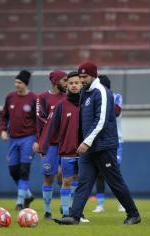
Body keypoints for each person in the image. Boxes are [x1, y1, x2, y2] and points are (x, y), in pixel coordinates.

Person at [54, 62, 141, 225]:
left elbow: (100, 121)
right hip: (89, 149)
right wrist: (83, 142)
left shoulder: (101, 92)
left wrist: (86, 142)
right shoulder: (85, 93)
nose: (82, 80)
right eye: (80, 77)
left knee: (115, 181)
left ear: (93, 75)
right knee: (83, 182)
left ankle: (133, 214)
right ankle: (74, 216)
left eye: (84, 77)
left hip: (104, 146)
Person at [43, 71, 81, 217]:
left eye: (76, 83)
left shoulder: (87, 103)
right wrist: (44, 147)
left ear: (81, 84)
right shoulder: (61, 105)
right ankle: (65, 212)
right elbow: (51, 127)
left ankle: (74, 210)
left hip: (84, 151)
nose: (73, 85)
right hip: (67, 150)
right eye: (70, 83)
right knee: (66, 181)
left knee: (78, 181)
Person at [0, 70, 36, 210]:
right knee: (13, 170)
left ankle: (19, 202)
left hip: (29, 137)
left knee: (24, 170)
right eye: (15, 82)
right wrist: (3, 130)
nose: (17, 85)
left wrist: (37, 139)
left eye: (19, 82)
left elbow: (39, 120)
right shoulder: (10, 97)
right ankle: (27, 194)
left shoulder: (34, 98)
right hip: (13, 139)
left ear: (25, 84)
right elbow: (4, 116)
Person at [34, 70, 67, 219]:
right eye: (64, 80)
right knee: (49, 176)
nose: (67, 83)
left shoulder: (68, 97)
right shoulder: (42, 98)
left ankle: (65, 206)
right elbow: (40, 119)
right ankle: (47, 210)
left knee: (65, 175)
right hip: (49, 144)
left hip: (66, 143)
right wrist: (38, 141)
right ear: (55, 81)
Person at [93, 75, 125, 213]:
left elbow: (115, 113)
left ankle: (122, 202)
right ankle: (100, 204)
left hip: (115, 140)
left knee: (115, 171)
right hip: (98, 140)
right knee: (99, 173)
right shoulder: (95, 98)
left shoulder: (116, 97)